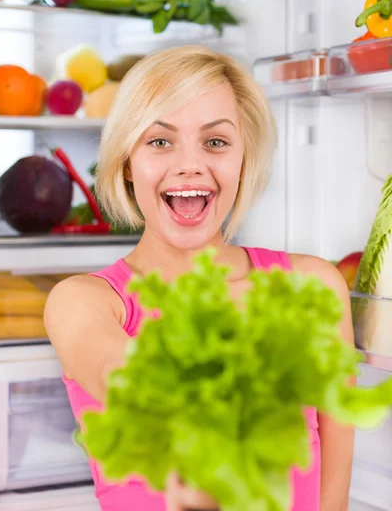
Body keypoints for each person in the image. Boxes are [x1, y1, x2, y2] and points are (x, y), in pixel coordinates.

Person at [44, 45, 355, 511]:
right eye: (160, 141)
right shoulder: (86, 302)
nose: (189, 164)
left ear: (243, 158)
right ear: (128, 163)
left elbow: (333, 497)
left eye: (215, 142)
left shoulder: (313, 287)